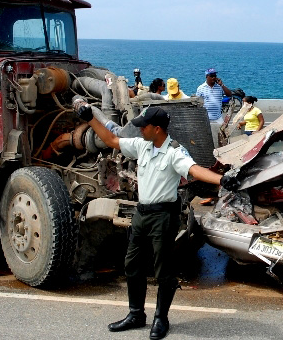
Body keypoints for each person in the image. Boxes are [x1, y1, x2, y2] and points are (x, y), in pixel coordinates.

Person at [75, 103, 240, 339]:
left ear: (158, 129)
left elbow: (194, 170)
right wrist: (91, 118)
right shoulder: (143, 146)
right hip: (141, 214)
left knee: (163, 270)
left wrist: (221, 180)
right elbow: (112, 140)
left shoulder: (175, 151)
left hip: (163, 216)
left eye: (145, 126)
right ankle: (136, 314)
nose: (140, 130)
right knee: (132, 265)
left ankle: (161, 319)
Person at [196, 68, 232, 147]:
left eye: (215, 75)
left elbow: (229, 94)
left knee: (224, 134)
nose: (214, 77)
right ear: (207, 77)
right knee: (206, 135)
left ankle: (224, 148)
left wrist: (222, 85)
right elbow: (197, 102)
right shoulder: (201, 88)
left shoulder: (219, 87)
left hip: (218, 117)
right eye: (211, 76)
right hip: (206, 117)